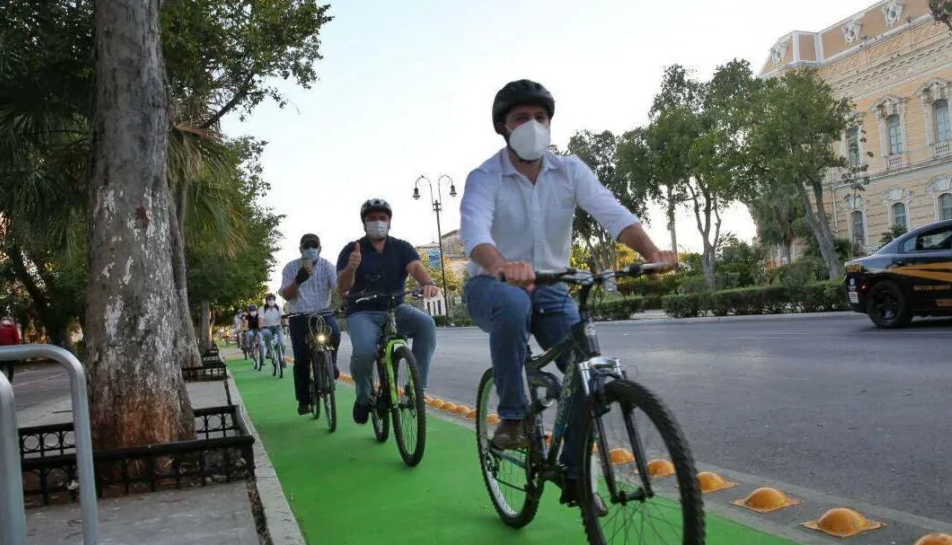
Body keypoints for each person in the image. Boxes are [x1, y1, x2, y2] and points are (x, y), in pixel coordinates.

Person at [458, 79, 677, 508]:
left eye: (541, 118)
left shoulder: (570, 169)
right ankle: (514, 417)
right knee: (514, 302)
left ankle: (576, 476)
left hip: (554, 285)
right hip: (492, 285)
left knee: (585, 372)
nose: (533, 126)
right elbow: (474, 234)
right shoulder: (484, 177)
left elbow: (613, 212)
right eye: (522, 118)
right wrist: (501, 265)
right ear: (503, 126)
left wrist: (652, 252)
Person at [335, 198, 439, 425]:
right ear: (364, 223)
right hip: (362, 312)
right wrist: (352, 267)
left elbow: (416, 268)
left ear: (390, 221)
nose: (377, 223)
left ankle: (417, 388)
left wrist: (428, 282)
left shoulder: (401, 247)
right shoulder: (352, 249)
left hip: (396, 307)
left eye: (382, 218)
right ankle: (363, 396)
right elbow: (342, 287)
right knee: (363, 353)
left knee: (426, 325)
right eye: (371, 219)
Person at [280, 233, 340, 415]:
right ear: (301, 249)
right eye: (307, 246)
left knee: (335, 333)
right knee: (301, 358)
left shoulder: (328, 266)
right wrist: (298, 280)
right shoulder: (290, 268)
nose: (310, 249)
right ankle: (304, 400)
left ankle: (331, 365)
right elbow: (286, 295)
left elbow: (338, 289)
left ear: (320, 248)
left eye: (314, 246)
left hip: (324, 313)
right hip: (299, 316)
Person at [0, 316, 21, 382]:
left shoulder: (12, 328)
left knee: (9, 364)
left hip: (8, 349)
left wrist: (16, 348)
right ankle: (4, 378)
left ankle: (10, 378)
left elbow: (16, 340)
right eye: (3, 319)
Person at [259, 293, 284, 361]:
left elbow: (283, 317)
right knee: (267, 334)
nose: (271, 301)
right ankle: (269, 351)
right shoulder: (262, 309)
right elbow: (260, 319)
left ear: (275, 300)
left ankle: (283, 359)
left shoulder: (279, 308)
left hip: (278, 327)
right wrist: (260, 325)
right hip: (266, 327)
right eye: (269, 299)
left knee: (282, 343)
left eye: (273, 299)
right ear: (266, 300)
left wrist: (285, 323)